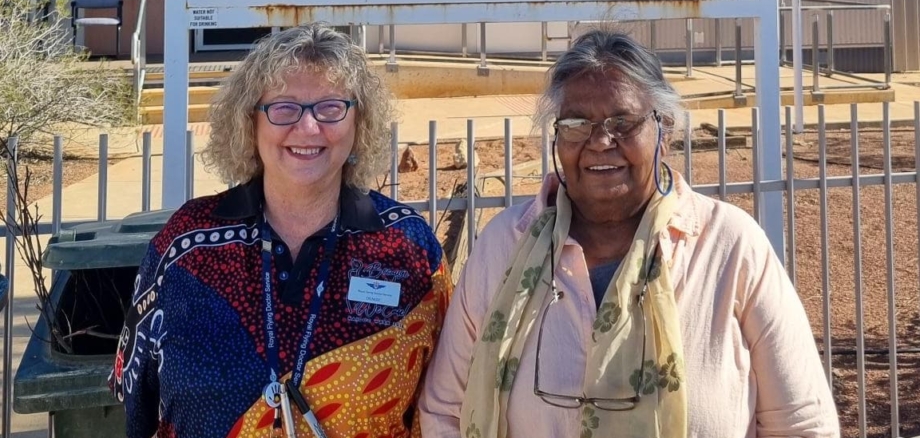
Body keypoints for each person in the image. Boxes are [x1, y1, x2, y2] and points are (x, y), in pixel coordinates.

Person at [419, 29, 839, 438]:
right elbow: (445, 410)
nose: (601, 141)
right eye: (577, 123)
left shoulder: (730, 246)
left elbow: (802, 424)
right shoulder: (504, 246)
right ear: (557, 136)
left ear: (664, 130)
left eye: (623, 122)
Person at [110, 24, 451, 438]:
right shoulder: (185, 247)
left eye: (330, 107)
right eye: (284, 108)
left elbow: (446, 408)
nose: (307, 128)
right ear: (249, 121)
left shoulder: (409, 248)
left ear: (359, 122)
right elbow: (137, 406)